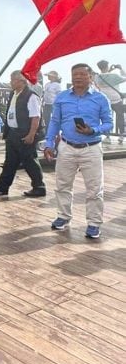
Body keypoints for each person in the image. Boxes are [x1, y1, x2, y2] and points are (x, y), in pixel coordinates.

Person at [44, 63, 112, 239]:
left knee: (94, 189)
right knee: (62, 185)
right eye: (75, 75)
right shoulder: (62, 97)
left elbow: (108, 123)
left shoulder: (101, 98)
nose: (78, 78)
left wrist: (93, 130)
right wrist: (49, 143)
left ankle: (94, 223)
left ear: (90, 77)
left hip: (92, 148)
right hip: (66, 146)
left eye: (82, 74)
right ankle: (63, 216)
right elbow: (55, 122)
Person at [0, 70, 46, 198]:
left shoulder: (31, 96)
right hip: (13, 133)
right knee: (10, 162)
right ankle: (3, 187)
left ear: (21, 81)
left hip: (25, 133)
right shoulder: (13, 94)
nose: (11, 82)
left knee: (30, 161)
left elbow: (35, 117)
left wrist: (31, 134)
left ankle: (39, 186)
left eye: (13, 80)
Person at [93, 60, 125, 144]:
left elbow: (105, 77)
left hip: (105, 100)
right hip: (116, 100)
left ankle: (107, 136)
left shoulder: (97, 77)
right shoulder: (114, 75)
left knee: (106, 119)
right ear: (107, 66)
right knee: (120, 117)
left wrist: (109, 71)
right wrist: (120, 69)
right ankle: (121, 136)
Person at [41, 70, 62, 137]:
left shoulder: (57, 85)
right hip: (46, 104)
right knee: (46, 119)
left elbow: (59, 95)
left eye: (50, 76)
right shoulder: (47, 84)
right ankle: (47, 132)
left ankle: (55, 133)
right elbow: (44, 94)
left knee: (54, 119)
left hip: (53, 104)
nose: (49, 77)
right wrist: (42, 101)